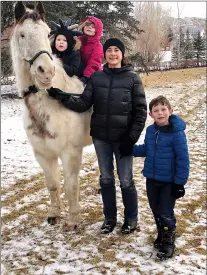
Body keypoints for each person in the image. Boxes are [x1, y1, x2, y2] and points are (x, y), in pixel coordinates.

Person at [47, 38, 147, 234]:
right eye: (109, 50)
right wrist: (63, 96)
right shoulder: (97, 78)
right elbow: (84, 102)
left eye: (116, 50)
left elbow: (141, 111)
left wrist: (131, 138)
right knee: (106, 179)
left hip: (123, 139)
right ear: (105, 54)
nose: (112, 54)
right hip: (101, 138)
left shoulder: (133, 79)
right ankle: (109, 219)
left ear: (122, 54)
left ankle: (131, 219)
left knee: (126, 180)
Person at [133, 95, 190, 260]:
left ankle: (168, 241)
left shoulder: (177, 134)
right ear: (151, 115)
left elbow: (183, 159)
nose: (160, 113)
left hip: (169, 182)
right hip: (151, 179)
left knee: (165, 211)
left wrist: (179, 183)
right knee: (155, 209)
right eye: (156, 110)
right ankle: (161, 234)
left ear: (170, 111)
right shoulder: (151, 131)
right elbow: (146, 149)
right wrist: (130, 149)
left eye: (163, 109)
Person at [77, 16, 104, 85]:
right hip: (79, 70)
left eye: (93, 26)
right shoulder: (78, 40)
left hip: (92, 74)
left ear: (97, 30)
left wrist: (85, 77)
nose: (89, 27)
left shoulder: (97, 46)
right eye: (87, 25)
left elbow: (94, 63)